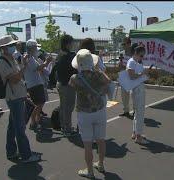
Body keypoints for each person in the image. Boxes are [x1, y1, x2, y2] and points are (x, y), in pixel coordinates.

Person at [0, 35, 40, 162]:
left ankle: (11, 151)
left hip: (18, 96)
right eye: (11, 45)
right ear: (4, 48)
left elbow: (19, 78)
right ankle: (26, 155)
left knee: (13, 126)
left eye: (13, 45)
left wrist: (24, 93)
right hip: (14, 97)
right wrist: (25, 66)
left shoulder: (11, 59)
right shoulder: (1, 61)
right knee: (20, 127)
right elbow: (15, 79)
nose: (14, 47)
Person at [69, 49, 110, 179]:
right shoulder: (99, 74)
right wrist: (97, 69)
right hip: (100, 111)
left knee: (87, 144)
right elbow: (108, 81)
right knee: (101, 140)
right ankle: (101, 164)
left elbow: (72, 86)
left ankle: (90, 171)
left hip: (84, 113)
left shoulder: (75, 78)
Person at [23, 39, 52, 130]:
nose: (36, 49)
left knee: (39, 103)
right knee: (38, 103)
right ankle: (33, 122)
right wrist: (47, 62)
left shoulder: (30, 57)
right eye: (35, 47)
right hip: (34, 84)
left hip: (34, 83)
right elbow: (37, 68)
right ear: (31, 48)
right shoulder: (28, 57)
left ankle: (35, 121)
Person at [56, 34, 78, 136]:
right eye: (71, 43)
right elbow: (75, 69)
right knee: (68, 108)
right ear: (67, 44)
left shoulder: (60, 54)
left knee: (63, 106)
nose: (73, 44)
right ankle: (67, 129)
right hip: (68, 85)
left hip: (60, 83)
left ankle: (63, 126)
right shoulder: (69, 56)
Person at [127, 45, 149, 145]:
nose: (142, 58)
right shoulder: (132, 62)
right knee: (140, 112)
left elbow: (136, 75)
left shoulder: (136, 62)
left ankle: (135, 132)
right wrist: (142, 74)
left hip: (138, 87)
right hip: (137, 89)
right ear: (136, 53)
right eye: (141, 55)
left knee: (137, 112)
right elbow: (131, 76)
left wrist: (143, 74)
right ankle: (138, 136)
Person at [119, 38, 136, 118]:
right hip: (124, 76)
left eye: (124, 44)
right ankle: (126, 111)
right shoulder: (121, 53)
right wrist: (120, 64)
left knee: (133, 95)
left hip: (132, 77)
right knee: (124, 95)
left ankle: (135, 111)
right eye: (123, 44)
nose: (123, 46)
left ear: (129, 44)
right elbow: (120, 66)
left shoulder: (134, 55)